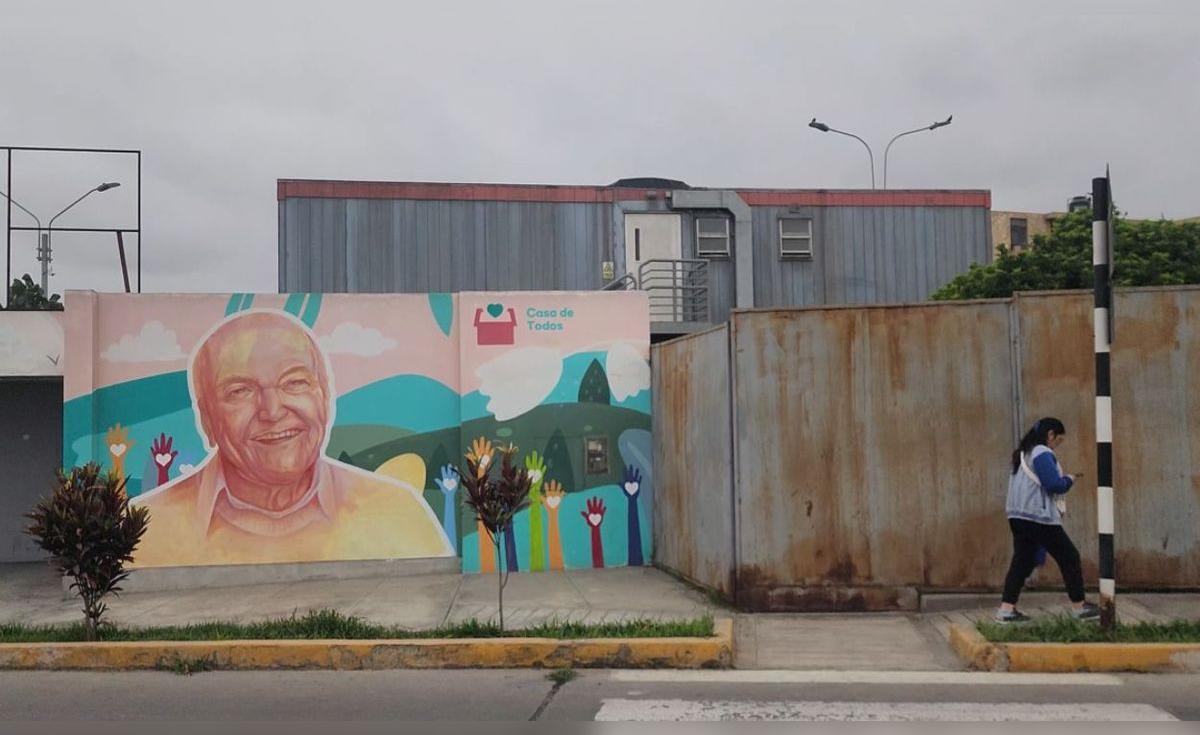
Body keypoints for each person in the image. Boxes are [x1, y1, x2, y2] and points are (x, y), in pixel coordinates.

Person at [133, 310, 453, 567]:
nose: (272, 411)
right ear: (207, 418)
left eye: (295, 382)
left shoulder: (396, 512)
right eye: (240, 390)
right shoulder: (148, 531)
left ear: (325, 397)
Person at [996, 417, 1100, 623]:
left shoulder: (1023, 453)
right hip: (1038, 516)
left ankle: (1006, 610)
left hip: (1017, 515)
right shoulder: (1041, 452)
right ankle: (1079, 606)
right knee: (1069, 556)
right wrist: (1069, 479)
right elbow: (1053, 485)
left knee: (1022, 561)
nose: (1057, 446)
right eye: (1058, 440)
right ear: (1050, 434)